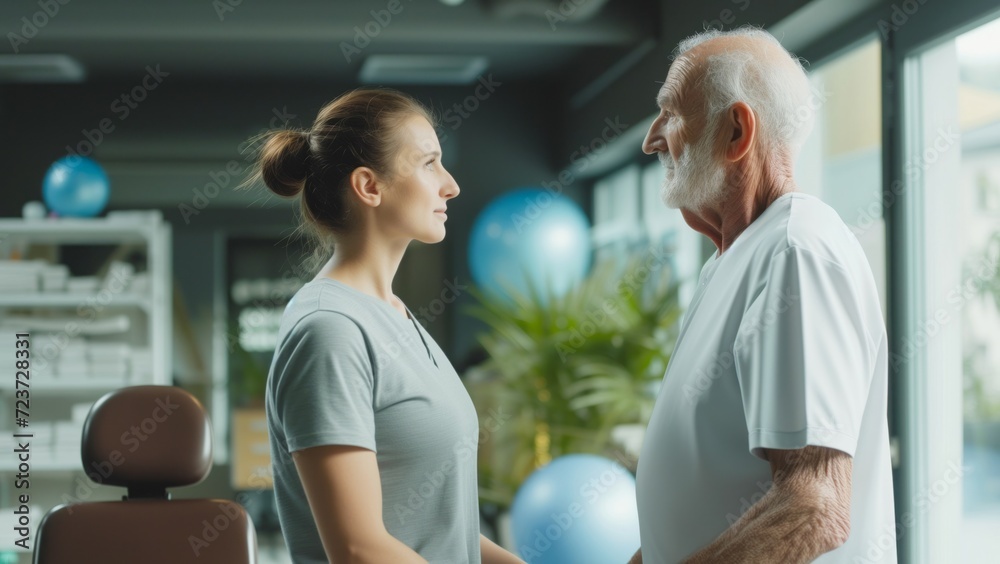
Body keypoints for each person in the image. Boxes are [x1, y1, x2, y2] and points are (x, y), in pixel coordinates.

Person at [629, 27, 897, 563]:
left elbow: (813, 507)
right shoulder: (735, 260)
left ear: (736, 131)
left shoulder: (795, 250)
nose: (652, 138)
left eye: (672, 113)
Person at [252, 88, 524, 564]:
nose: (451, 185)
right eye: (429, 163)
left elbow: (442, 533)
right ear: (369, 187)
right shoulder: (330, 330)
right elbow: (360, 550)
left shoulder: (394, 315)